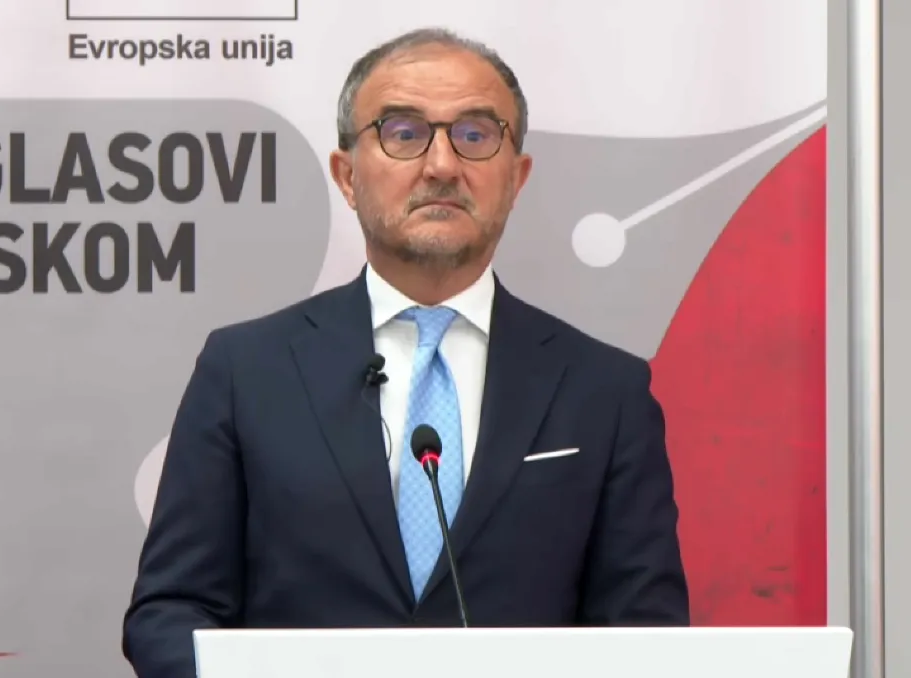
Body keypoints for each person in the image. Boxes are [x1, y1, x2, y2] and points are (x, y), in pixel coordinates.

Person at [122, 27, 689, 678]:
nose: (442, 165)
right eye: (403, 132)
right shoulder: (246, 370)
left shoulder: (604, 390)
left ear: (516, 177)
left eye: (474, 134)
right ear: (346, 175)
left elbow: (644, 632)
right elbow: (171, 614)